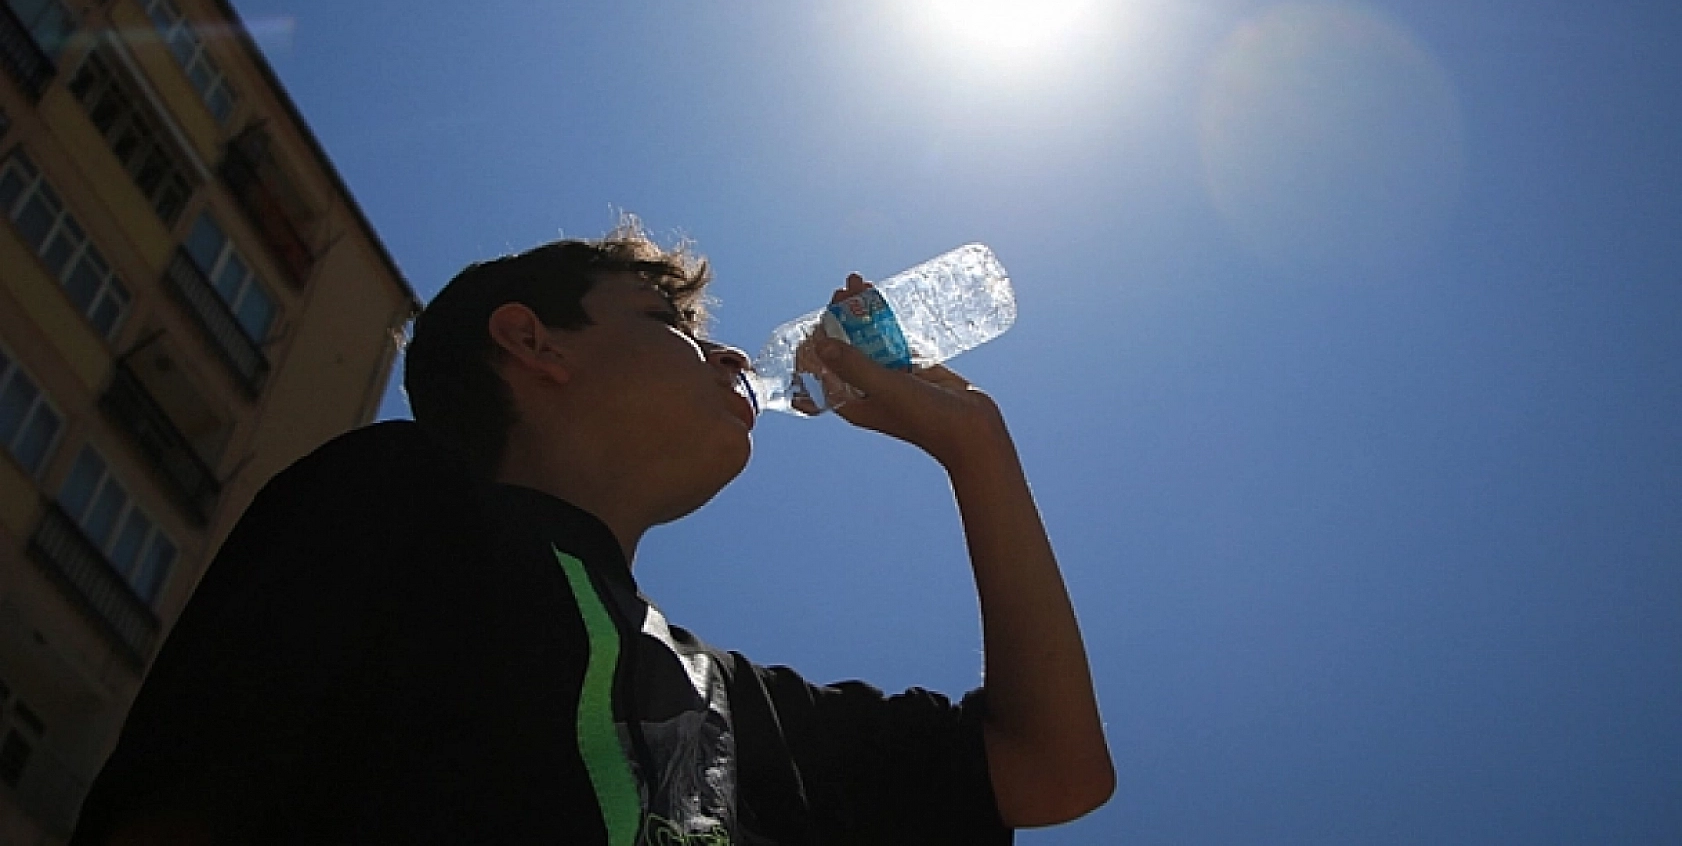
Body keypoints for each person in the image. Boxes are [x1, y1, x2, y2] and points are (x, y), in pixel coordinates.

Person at [71, 221, 1112, 845]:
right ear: (531, 343)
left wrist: (976, 447)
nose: (727, 360)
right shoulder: (402, 498)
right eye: (671, 325)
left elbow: (1052, 771)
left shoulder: (731, 710)